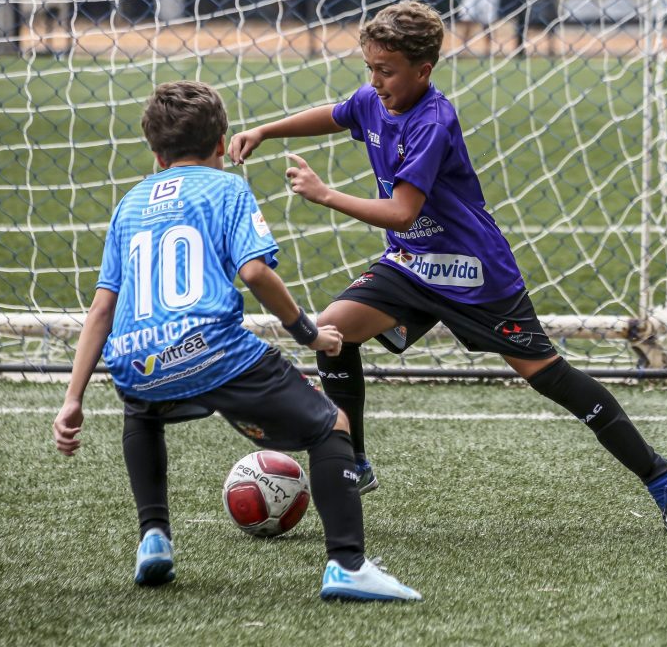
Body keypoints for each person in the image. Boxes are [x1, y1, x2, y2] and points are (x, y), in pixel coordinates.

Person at [228, 1, 667, 537]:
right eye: (370, 68)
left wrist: (326, 194)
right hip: (411, 265)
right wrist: (266, 130)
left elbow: (402, 212)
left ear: (423, 70)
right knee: (332, 332)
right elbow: (339, 113)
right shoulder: (373, 99)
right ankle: (353, 459)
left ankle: (660, 476)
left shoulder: (433, 121)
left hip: (474, 273)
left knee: (551, 378)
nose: (375, 81)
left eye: (386, 71)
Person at [51, 80, 421, 601]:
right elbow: (255, 272)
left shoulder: (129, 204)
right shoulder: (227, 189)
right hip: (212, 347)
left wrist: (73, 398)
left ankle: (154, 536)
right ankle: (348, 565)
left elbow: (102, 309)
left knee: (142, 411)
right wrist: (308, 333)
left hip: (135, 360)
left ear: (156, 154)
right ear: (222, 144)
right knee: (331, 425)